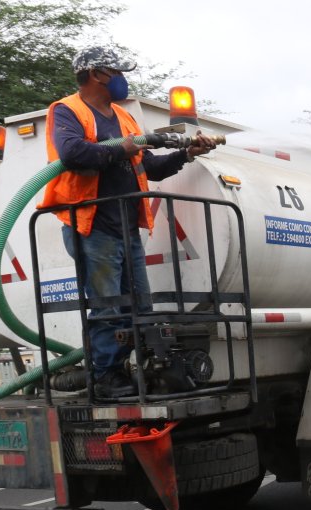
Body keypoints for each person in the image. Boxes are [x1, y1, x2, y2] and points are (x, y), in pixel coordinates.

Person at [39, 46, 216, 398]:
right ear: (96, 75)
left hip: (127, 226)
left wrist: (186, 153)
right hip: (92, 226)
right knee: (108, 305)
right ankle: (106, 377)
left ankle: (141, 372)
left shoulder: (123, 116)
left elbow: (148, 166)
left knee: (140, 306)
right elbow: (73, 154)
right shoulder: (67, 110)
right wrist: (132, 144)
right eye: (117, 72)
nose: (122, 79)